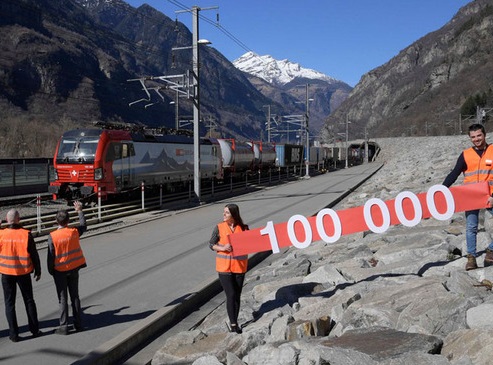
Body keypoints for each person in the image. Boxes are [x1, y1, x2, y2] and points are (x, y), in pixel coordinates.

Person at [443, 123, 493, 270]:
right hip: (471, 197)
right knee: (471, 227)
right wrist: (440, 190)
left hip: (489, 195)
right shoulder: (465, 155)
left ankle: (490, 250)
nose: (476, 139)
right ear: (470, 138)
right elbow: (454, 174)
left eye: (479, 135)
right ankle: (471, 258)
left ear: (484, 135)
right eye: (473, 137)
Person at [0, 209, 42, 342]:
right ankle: (35, 330)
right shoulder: (26, 234)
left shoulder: (1, 234)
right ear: (19, 220)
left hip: (6, 273)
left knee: (9, 303)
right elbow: (34, 254)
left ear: (7, 220)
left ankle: (13, 334)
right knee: (29, 300)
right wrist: (38, 270)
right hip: (23, 273)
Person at [47, 201, 87, 335]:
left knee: (62, 298)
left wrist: (51, 270)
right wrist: (79, 210)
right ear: (68, 221)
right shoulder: (74, 232)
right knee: (75, 296)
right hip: (74, 268)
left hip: (60, 271)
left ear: (56, 221)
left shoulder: (52, 236)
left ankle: (63, 326)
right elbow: (83, 225)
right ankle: (79, 324)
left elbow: (50, 256)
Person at [209, 203, 249, 334]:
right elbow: (211, 244)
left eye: (226, 212)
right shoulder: (219, 227)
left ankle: (235, 321)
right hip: (224, 268)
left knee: (237, 296)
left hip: (239, 267)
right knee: (231, 295)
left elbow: (251, 243)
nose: (223, 214)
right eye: (224, 212)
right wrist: (223, 248)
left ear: (233, 214)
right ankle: (233, 325)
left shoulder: (244, 228)